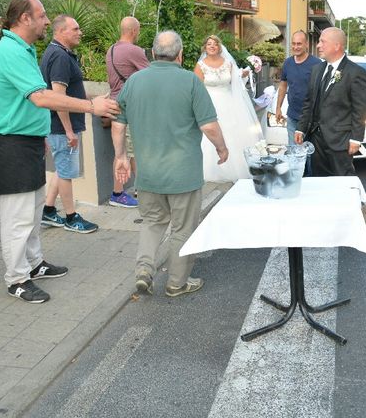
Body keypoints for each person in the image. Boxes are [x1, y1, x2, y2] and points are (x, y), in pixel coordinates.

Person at [0, 0, 119, 303]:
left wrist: (40, 133)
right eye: (42, 15)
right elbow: (41, 97)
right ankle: (16, 279)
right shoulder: (10, 51)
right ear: (25, 19)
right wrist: (91, 106)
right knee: (17, 217)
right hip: (9, 145)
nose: (47, 20)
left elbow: (24, 102)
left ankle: (34, 264)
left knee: (32, 210)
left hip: (25, 141)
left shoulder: (24, 49)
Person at [112, 30, 228, 297]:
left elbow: (118, 126)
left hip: (148, 174)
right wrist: (221, 148)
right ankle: (177, 283)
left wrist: (121, 157)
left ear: (153, 53)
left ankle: (144, 269)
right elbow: (209, 125)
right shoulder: (190, 82)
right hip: (183, 174)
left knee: (153, 222)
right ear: (180, 54)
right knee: (182, 227)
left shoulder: (134, 82)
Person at [40, 15, 98, 234]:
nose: (80, 32)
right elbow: (58, 97)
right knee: (66, 173)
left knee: (61, 168)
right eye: (75, 29)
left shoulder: (56, 52)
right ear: (61, 31)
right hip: (61, 127)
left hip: (58, 126)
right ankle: (71, 217)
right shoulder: (60, 57)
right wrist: (69, 130)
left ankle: (48, 209)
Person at [294, 27, 366, 177]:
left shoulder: (355, 72)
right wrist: (301, 128)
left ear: (337, 46)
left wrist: (356, 138)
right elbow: (309, 102)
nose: (318, 45)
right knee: (319, 182)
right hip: (316, 139)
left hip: (340, 141)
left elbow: (360, 109)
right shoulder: (316, 70)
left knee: (342, 181)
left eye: (322, 42)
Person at [194, 35, 263, 182]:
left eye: (215, 44)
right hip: (209, 104)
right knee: (210, 133)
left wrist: (243, 75)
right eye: (209, 44)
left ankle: (236, 166)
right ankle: (210, 169)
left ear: (219, 47)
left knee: (232, 132)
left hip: (229, 103)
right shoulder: (200, 65)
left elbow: (236, 84)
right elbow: (197, 89)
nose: (212, 46)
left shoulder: (228, 63)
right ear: (205, 47)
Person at [105, 16, 150, 208]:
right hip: (129, 106)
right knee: (127, 150)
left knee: (126, 149)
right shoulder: (134, 50)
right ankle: (118, 193)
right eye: (138, 30)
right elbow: (151, 76)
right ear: (133, 31)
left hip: (115, 103)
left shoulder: (111, 50)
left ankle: (138, 189)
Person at [276, 30, 321, 144]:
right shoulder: (287, 63)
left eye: (299, 44)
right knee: (294, 152)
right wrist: (278, 108)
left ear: (306, 44)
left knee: (310, 154)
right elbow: (283, 85)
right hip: (292, 116)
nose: (296, 47)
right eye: (294, 43)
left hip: (311, 119)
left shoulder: (316, 64)